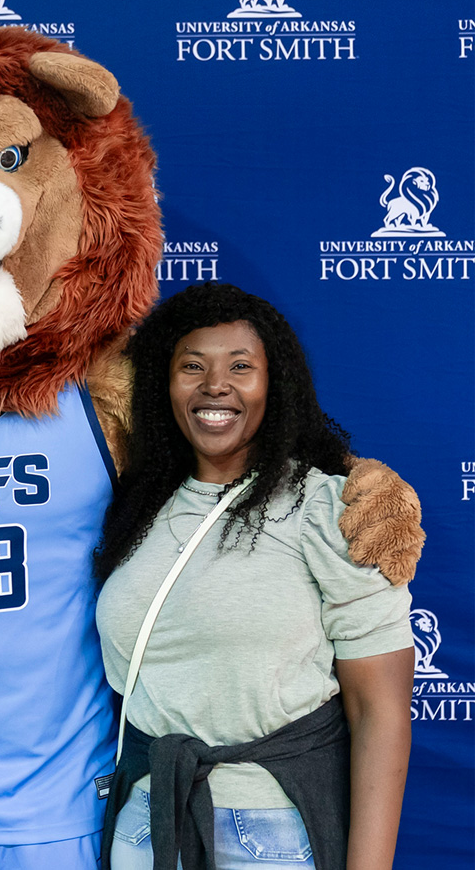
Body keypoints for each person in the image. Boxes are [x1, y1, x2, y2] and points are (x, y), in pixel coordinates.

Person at [94, 283, 413, 870]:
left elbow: (381, 714)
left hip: (271, 835)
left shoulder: (330, 509)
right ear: (164, 386)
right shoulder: (135, 508)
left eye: (241, 367)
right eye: (192, 367)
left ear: (275, 385)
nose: (215, 385)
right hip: (146, 825)